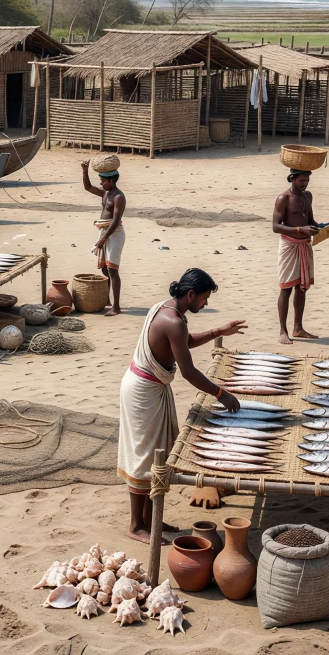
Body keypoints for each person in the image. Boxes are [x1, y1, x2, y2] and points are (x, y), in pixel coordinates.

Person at [119, 269, 245, 544]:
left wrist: (219, 331)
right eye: (204, 298)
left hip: (148, 387)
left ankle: (151, 519)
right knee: (143, 456)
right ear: (190, 294)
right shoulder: (173, 320)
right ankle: (136, 525)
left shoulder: (165, 309)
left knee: (156, 454)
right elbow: (187, 370)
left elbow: (183, 344)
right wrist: (221, 393)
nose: (205, 304)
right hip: (143, 392)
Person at [274, 169, 323, 344]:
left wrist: (322, 228)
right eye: (302, 180)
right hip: (289, 245)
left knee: (302, 288)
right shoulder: (283, 199)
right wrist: (299, 230)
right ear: (292, 179)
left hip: (305, 244)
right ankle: (282, 330)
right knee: (286, 288)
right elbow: (275, 226)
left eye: (307, 180)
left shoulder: (307, 196)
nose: (305, 184)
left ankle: (298, 328)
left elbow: (310, 219)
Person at [81, 161, 127, 315]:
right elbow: (88, 187)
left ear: (112, 181)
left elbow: (115, 220)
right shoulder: (106, 193)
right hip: (105, 232)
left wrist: (103, 239)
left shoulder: (119, 197)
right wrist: (85, 171)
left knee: (113, 270)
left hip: (114, 234)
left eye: (103, 181)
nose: (101, 183)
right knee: (104, 268)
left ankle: (117, 307)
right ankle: (107, 299)